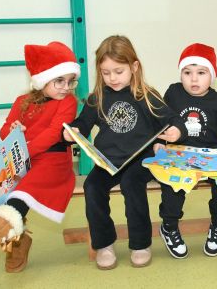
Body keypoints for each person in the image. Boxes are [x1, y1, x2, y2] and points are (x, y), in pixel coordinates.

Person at [63, 35, 187, 270]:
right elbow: (83, 123)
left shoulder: (146, 95)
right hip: (108, 160)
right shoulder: (97, 97)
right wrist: (73, 132)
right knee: (92, 187)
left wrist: (175, 132)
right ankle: (104, 244)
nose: (112, 78)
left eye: (118, 71)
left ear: (134, 67)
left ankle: (140, 243)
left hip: (140, 160)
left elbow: (173, 120)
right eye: (105, 72)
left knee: (132, 184)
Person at [0, 41, 81, 272]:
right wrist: (13, 130)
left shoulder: (68, 102)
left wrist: (24, 153)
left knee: (25, 190)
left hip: (52, 162)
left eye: (70, 81)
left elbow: (53, 134)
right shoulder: (22, 102)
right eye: (59, 80)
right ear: (43, 79)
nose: (66, 87)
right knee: (4, 189)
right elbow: (4, 132)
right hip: (22, 159)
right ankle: (16, 241)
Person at [155, 43, 217, 259]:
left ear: (212, 75)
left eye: (201, 73)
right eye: (187, 73)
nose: (193, 79)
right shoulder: (173, 92)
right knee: (173, 187)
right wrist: (159, 141)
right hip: (178, 153)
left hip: (210, 154)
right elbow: (160, 119)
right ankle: (169, 226)